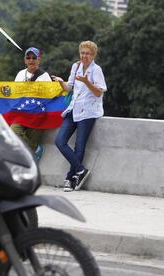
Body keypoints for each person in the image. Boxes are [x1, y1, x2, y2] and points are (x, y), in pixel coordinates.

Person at [52, 41, 107, 192]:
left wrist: (87, 82)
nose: (84, 56)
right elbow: (70, 87)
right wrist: (61, 83)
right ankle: (81, 171)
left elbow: (99, 92)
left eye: (87, 53)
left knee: (79, 146)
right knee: (59, 141)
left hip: (89, 111)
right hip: (74, 108)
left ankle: (70, 178)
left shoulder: (96, 70)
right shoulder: (75, 66)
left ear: (93, 55)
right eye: (82, 53)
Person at [12, 47, 52, 158]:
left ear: (39, 60)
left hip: (37, 115)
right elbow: (14, 93)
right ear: (25, 60)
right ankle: (35, 148)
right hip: (21, 113)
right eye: (28, 58)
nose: (31, 60)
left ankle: (30, 160)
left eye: (34, 58)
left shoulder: (44, 76)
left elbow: (49, 96)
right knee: (13, 133)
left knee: (27, 149)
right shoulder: (20, 74)